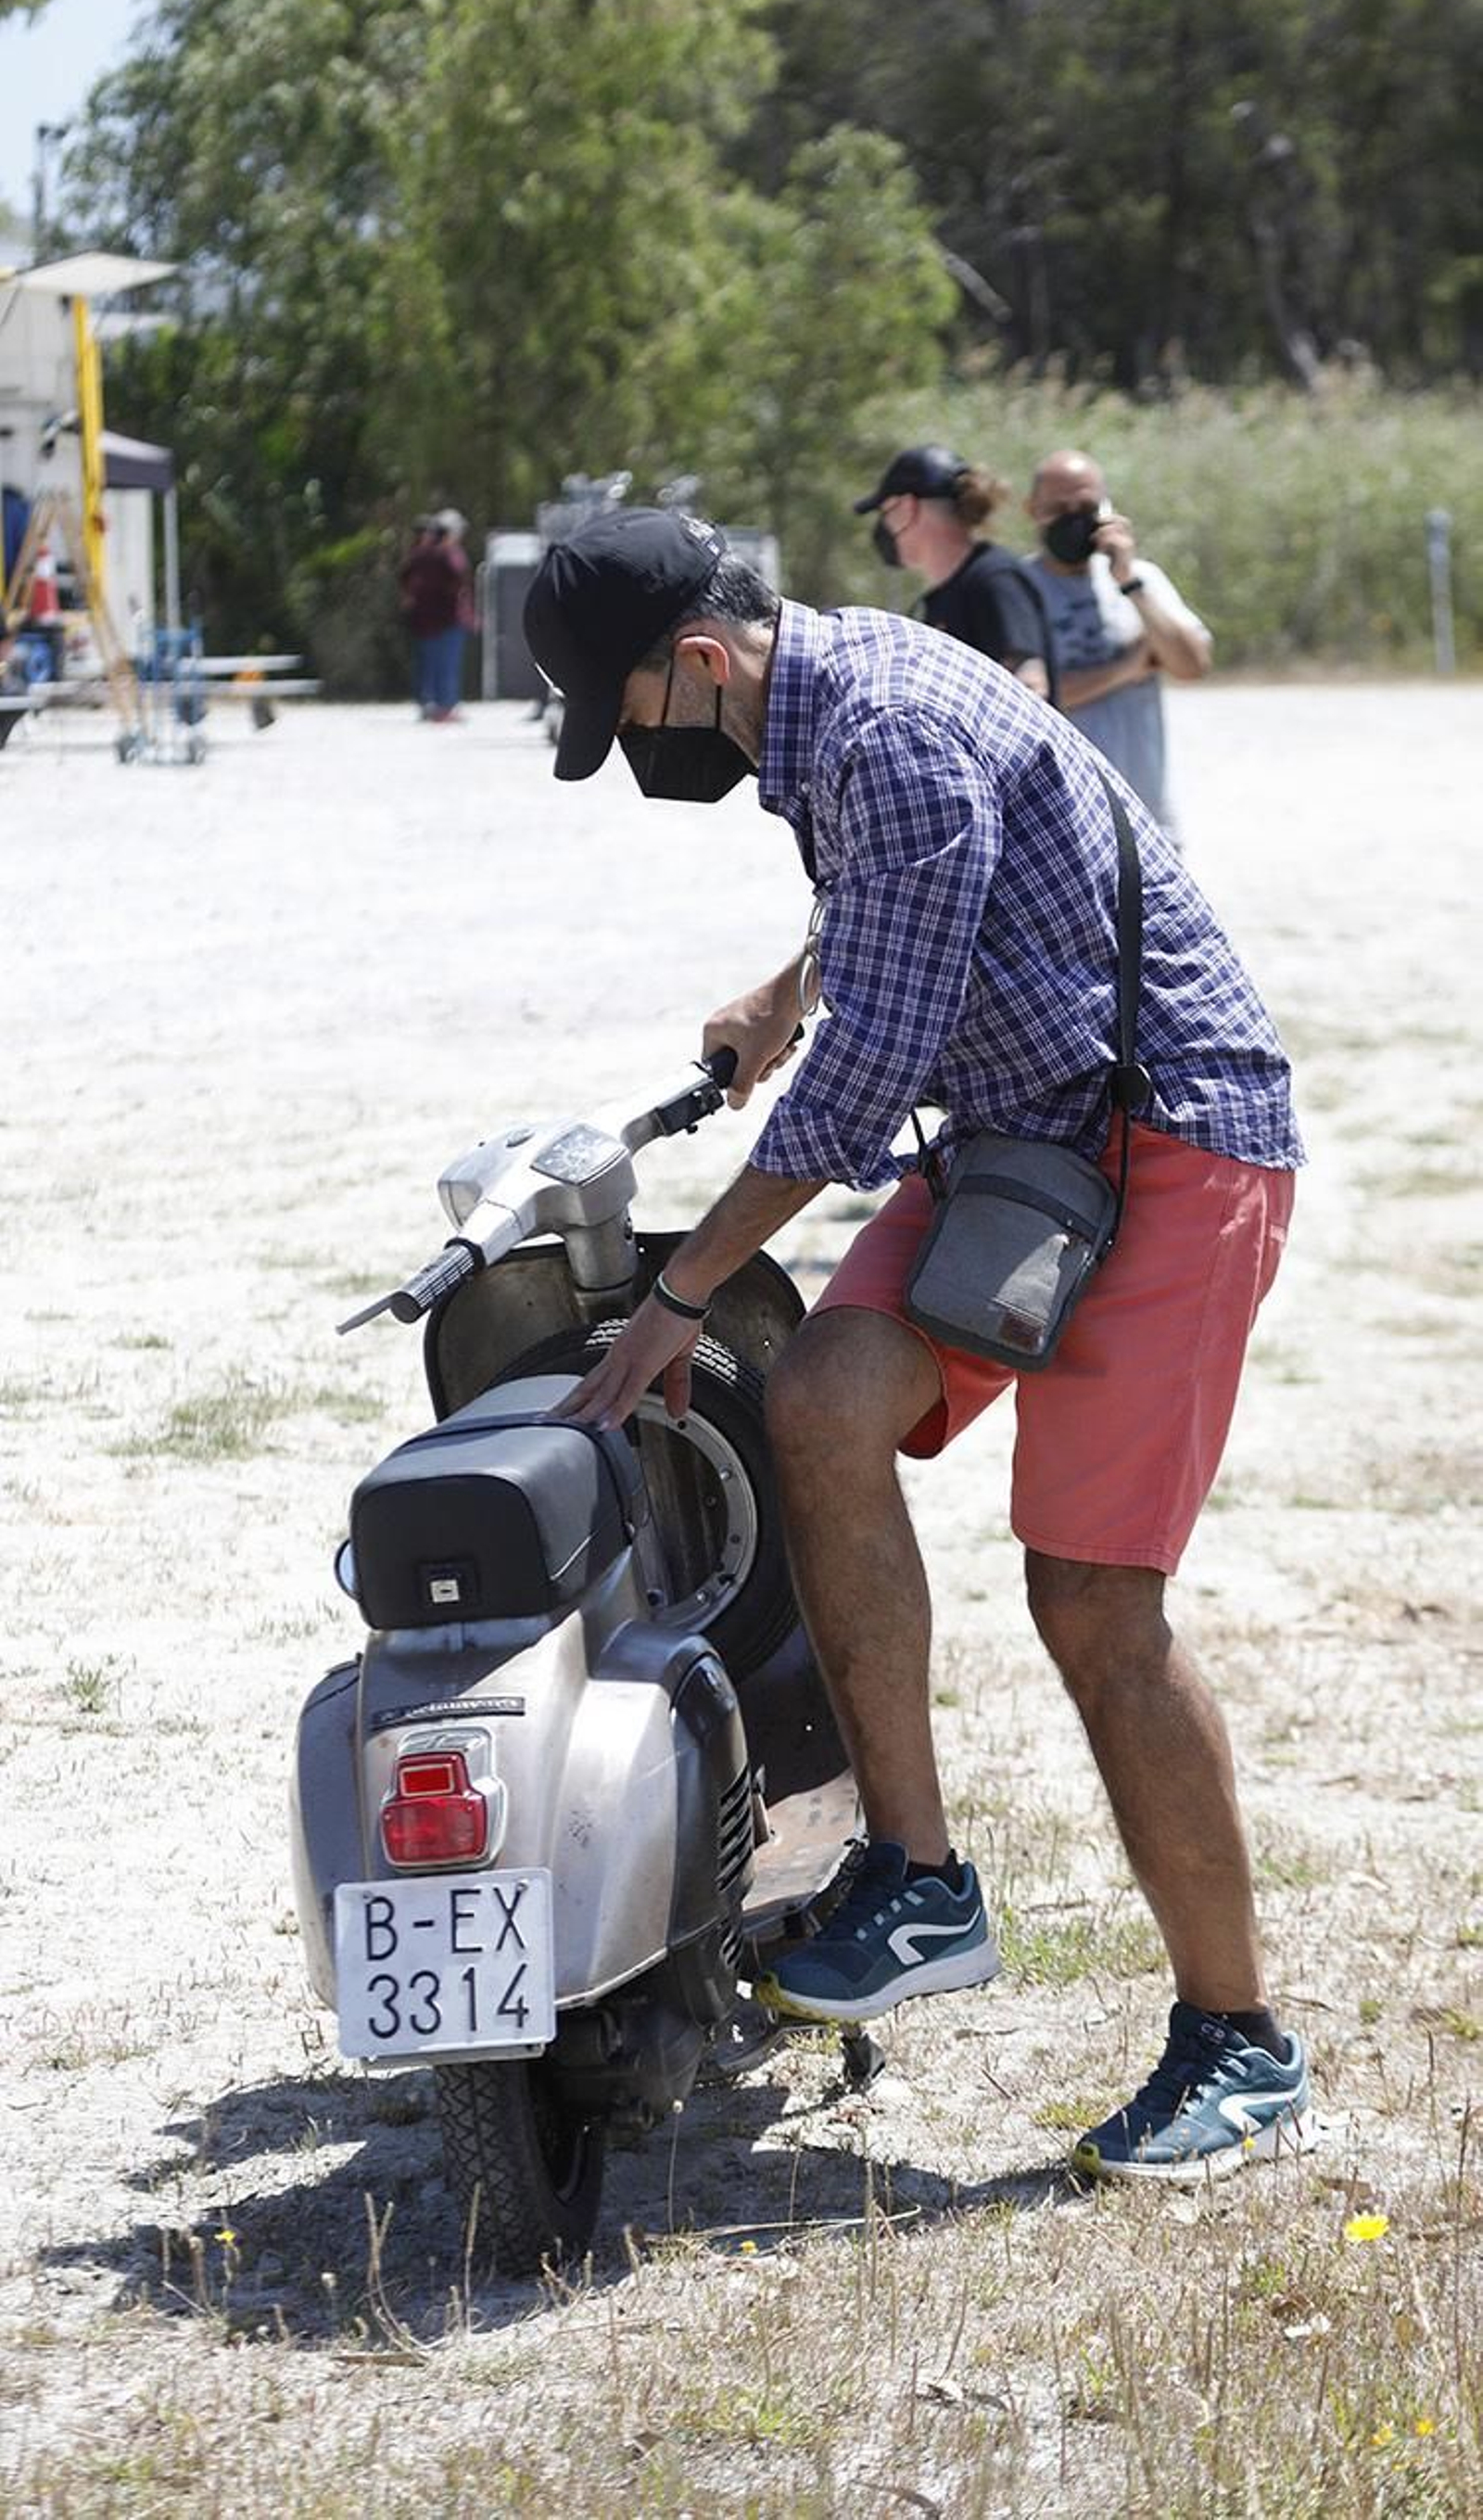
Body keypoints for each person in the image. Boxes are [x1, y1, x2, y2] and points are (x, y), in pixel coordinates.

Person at [521, 508, 1315, 2185]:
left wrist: (683, 1290)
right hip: (1032, 1136)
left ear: (702, 659)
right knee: (820, 1397)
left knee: (1092, 1601)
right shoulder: (832, 704)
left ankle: (1240, 2038)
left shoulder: (881, 728)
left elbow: (867, 1078)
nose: (638, 746)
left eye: (630, 710)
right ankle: (921, 1878)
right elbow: (909, 913)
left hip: (1170, 1139)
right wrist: (787, 985)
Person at [1023, 451, 1211, 840]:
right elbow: (1027, 702)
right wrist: (1127, 668)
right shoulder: (1017, 589)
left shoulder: (1140, 579)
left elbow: (1192, 665)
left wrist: (1128, 582)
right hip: (1064, 828)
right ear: (1032, 510)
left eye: (1085, 508)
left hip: (1147, 819)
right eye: (1058, 509)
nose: (1073, 519)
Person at [855, 443, 1056, 701]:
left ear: (907, 508)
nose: (883, 526)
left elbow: (1031, 687)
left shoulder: (994, 579)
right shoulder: (943, 597)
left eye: (885, 512)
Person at [398, 507, 475, 721]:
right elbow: (459, 579)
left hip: (425, 619)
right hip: (447, 618)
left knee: (428, 663)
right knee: (447, 664)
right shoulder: (446, 554)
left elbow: (404, 578)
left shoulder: (420, 554)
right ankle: (446, 706)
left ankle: (428, 703)